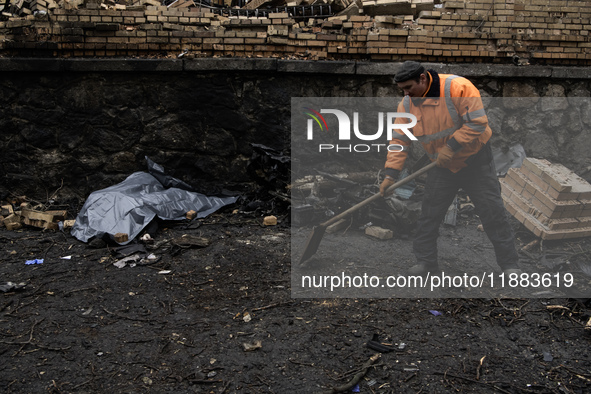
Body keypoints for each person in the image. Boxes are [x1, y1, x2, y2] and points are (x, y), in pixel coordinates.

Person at [379, 61, 521, 276]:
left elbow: (477, 122)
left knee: (492, 213)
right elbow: (400, 139)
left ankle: (510, 265)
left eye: (409, 87)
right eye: (403, 90)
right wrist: (391, 174)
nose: (406, 94)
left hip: (475, 161)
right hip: (442, 166)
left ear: (423, 78)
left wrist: (451, 146)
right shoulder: (407, 105)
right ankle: (426, 263)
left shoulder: (458, 87)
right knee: (429, 214)